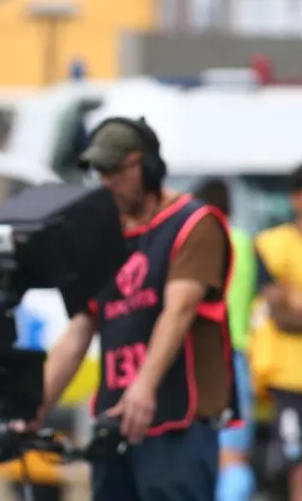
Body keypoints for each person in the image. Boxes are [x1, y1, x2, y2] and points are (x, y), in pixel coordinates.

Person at [21, 117, 237, 501]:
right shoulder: (105, 237)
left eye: (116, 171)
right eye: (100, 173)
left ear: (147, 167)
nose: (106, 183)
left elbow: (180, 310)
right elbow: (78, 332)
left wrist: (144, 386)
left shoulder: (194, 224)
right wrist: (35, 408)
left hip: (177, 427)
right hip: (115, 427)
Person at [194, 178, 259, 501]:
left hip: (203, 358)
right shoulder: (245, 243)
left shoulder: (199, 244)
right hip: (238, 357)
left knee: (200, 453)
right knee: (235, 455)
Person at [251, 163, 302, 501]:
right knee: (296, 459)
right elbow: (282, 313)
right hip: (287, 374)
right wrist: (287, 301)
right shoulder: (272, 244)